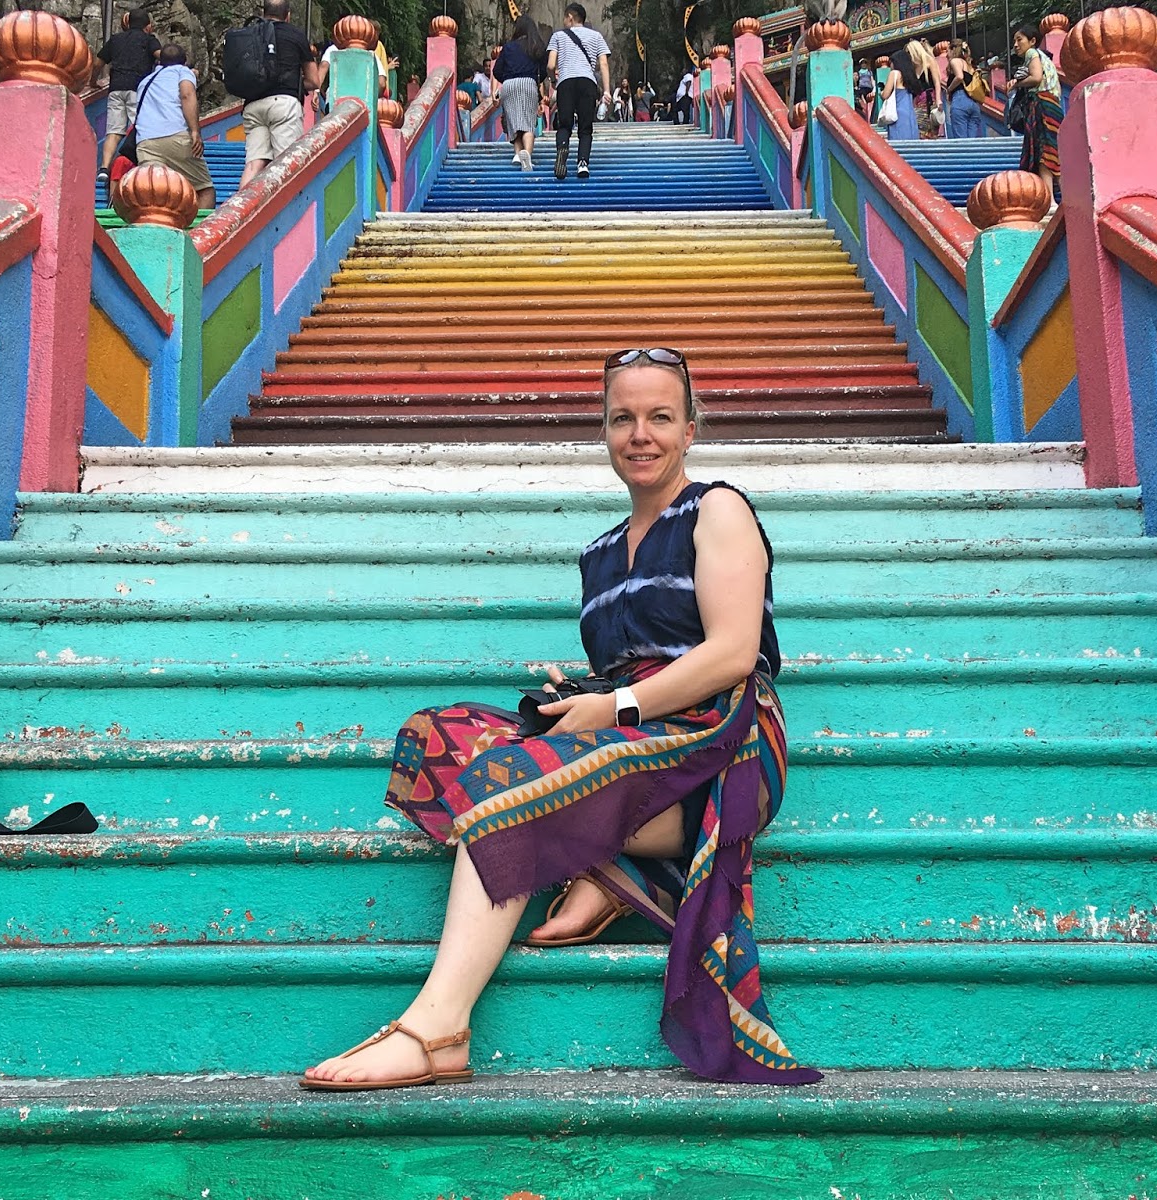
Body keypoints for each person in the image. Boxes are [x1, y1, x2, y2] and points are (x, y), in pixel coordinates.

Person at [299, 348, 821, 1092]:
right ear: (604, 432)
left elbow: (733, 652)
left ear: (691, 428)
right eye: (623, 419)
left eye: (660, 418)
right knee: (437, 736)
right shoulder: (600, 554)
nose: (641, 434)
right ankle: (613, 871)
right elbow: (630, 666)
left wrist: (612, 706)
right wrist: (579, 696)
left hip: (719, 744)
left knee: (504, 783)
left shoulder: (717, 508)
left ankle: (438, 1027)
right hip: (632, 731)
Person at [234, 0, 312, 188]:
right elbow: (314, 80)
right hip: (283, 104)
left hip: (253, 106)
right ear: (288, 15)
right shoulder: (295, 35)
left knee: (253, 165)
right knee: (285, 164)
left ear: (264, 12)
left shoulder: (251, 33)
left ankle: (242, 213)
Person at [133, 45, 216, 210]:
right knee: (204, 189)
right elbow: (187, 95)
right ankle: (199, 232)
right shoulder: (182, 71)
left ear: (159, 61)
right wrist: (194, 131)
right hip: (175, 137)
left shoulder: (145, 82)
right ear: (184, 61)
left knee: (154, 193)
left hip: (146, 142)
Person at [544, 2, 612, 180]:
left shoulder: (558, 36)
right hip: (587, 82)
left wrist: (553, 80)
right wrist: (606, 91)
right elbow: (603, 64)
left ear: (570, 17)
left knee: (564, 123)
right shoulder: (596, 36)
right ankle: (583, 164)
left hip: (565, 82)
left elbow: (551, 65)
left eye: (565, 18)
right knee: (585, 127)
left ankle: (563, 148)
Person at [95, 9, 160, 182]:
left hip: (116, 88)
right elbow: (160, 55)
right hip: (137, 89)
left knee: (114, 131)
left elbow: (97, 63)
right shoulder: (149, 40)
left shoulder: (116, 40)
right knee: (139, 128)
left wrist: (92, 82)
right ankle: (141, 165)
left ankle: (104, 168)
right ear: (148, 26)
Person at [1011, 25, 1062, 199]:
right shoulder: (1045, 58)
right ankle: (1064, 196)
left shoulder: (1032, 54)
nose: (1016, 45)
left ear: (1032, 41)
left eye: (1019, 40)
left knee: (1042, 149)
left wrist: (1017, 84)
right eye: (1014, 41)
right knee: (1054, 150)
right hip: (1053, 105)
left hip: (1041, 103)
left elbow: (1036, 77)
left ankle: (1048, 198)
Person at [494, 13, 547, 171]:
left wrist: (507, 78)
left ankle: (517, 154)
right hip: (528, 83)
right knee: (528, 123)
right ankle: (527, 156)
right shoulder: (536, 46)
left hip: (509, 85)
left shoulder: (508, 47)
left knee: (514, 122)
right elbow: (543, 70)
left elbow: (497, 70)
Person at [944, 38, 982, 138]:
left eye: (947, 50)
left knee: (961, 141)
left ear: (953, 49)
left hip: (960, 100)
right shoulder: (969, 65)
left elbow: (959, 76)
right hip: (973, 103)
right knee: (972, 143)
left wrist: (949, 89)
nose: (947, 54)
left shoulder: (955, 61)